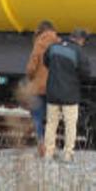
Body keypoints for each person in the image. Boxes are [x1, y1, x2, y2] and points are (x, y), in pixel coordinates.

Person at [43, 28, 91, 163]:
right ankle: (68, 154)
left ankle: (48, 153)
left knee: (51, 123)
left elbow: (46, 62)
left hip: (52, 92)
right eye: (84, 41)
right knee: (70, 124)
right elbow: (86, 73)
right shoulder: (78, 52)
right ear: (80, 39)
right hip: (70, 95)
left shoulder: (53, 47)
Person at [25, 21, 60, 157]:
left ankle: (41, 143)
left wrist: (30, 76)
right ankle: (51, 146)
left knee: (37, 117)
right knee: (52, 118)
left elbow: (31, 67)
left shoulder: (39, 44)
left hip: (38, 87)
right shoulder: (59, 43)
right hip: (54, 87)